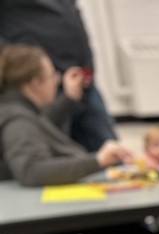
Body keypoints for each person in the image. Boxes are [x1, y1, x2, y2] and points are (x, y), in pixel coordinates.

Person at [0, 43, 159, 234]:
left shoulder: (16, 109)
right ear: (34, 84)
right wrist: (98, 161)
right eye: (52, 76)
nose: (56, 81)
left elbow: (41, 125)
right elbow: (31, 170)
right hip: (38, 227)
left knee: (131, 232)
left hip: (39, 216)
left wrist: (69, 98)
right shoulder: (17, 119)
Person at [0, 0, 118, 151]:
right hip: (41, 85)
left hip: (81, 81)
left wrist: (87, 65)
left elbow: (72, 16)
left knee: (112, 158)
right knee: (56, 155)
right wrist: (23, 63)